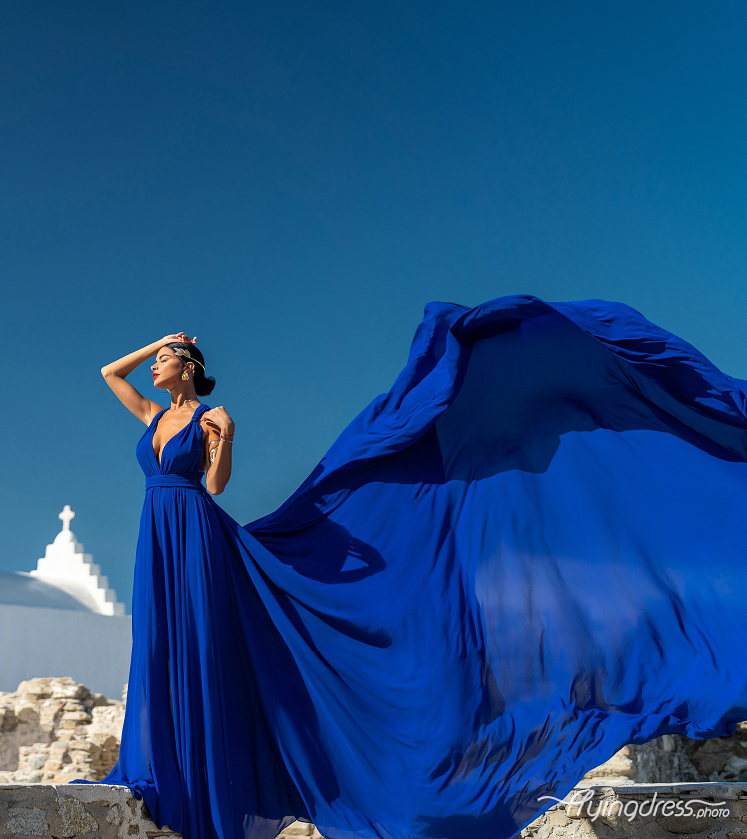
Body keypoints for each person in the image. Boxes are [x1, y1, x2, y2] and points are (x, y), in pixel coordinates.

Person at [71, 295, 747, 839]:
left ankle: (209, 780)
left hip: (193, 529)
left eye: (164, 359)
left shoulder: (211, 418)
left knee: (201, 646)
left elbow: (215, 487)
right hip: (155, 534)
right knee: (161, 646)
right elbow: (109, 373)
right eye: (156, 358)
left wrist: (223, 438)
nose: (153, 366)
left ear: (188, 367)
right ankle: (160, 767)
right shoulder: (151, 416)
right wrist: (161, 335)